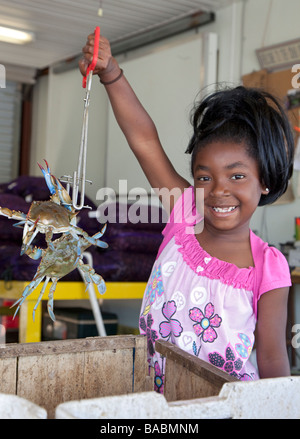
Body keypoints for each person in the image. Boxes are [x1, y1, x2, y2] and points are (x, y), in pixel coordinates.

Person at [79, 32, 294, 392]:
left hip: (224, 410)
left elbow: (273, 359)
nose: (219, 190)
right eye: (204, 176)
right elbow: (145, 141)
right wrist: (111, 73)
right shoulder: (186, 215)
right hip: (150, 398)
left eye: (237, 175)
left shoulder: (268, 267)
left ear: (265, 181)